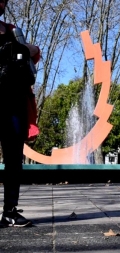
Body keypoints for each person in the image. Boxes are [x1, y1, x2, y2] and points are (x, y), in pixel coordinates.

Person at [0, 0, 41, 227]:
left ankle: (10, 210)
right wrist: (24, 50)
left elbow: (33, 54)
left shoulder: (14, 30)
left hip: (15, 102)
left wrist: (24, 50)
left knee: (14, 158)